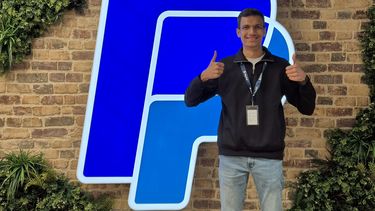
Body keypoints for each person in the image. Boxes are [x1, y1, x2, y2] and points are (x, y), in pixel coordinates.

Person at [184, 8, 316, 211]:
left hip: (269, 156)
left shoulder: (280, 67)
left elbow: (307, 108)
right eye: (246, 27)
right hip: (232, 156)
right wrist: (203, 77)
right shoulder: (224, 68)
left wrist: (304, 81)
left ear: (263, 30)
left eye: (256, 27)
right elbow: (190, 100)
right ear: (238, 32)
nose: (251, 32)